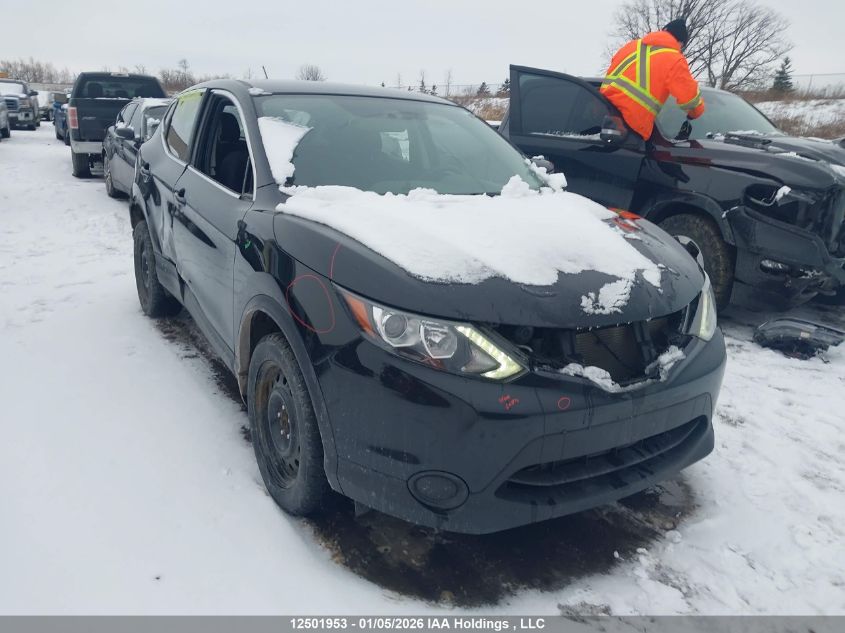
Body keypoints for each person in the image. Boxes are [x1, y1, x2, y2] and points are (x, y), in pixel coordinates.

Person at [601, 18, 705, 140]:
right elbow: (689, 99)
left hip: (603, 111)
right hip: (630, 126)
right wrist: (696, 112)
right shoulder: (675, 59)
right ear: (681, 42)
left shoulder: (631, 46)